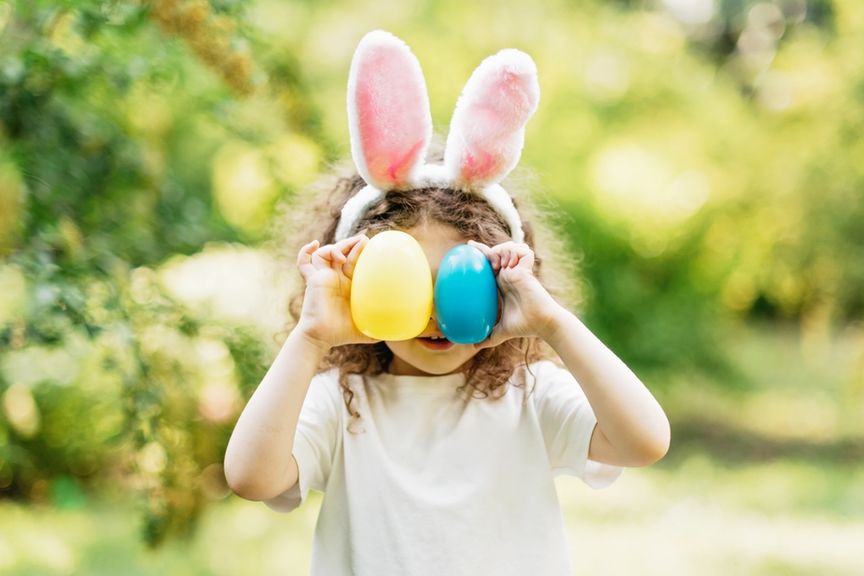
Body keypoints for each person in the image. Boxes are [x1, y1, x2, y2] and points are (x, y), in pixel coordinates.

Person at [224, 30, 670, 576]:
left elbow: (645, 441)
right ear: (358, 283)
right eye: (407, 282)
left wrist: (550, 323)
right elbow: (251, 478)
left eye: (461, 283)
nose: (435, 315)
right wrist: (311, 339)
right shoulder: (343, 401)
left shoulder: (527, 396)